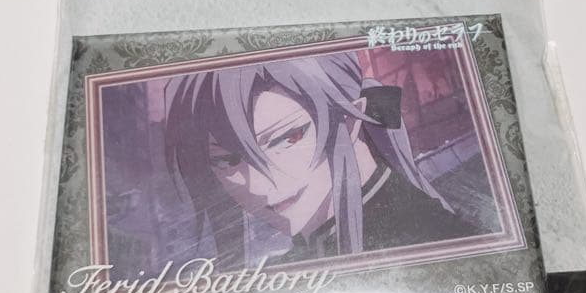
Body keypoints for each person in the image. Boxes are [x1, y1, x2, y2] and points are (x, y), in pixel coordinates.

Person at [163, 51, 476, 268]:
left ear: (352, 120)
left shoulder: (436, 241)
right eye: (226, 160)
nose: (257, 185)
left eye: (287, 138)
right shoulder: (295, 262)